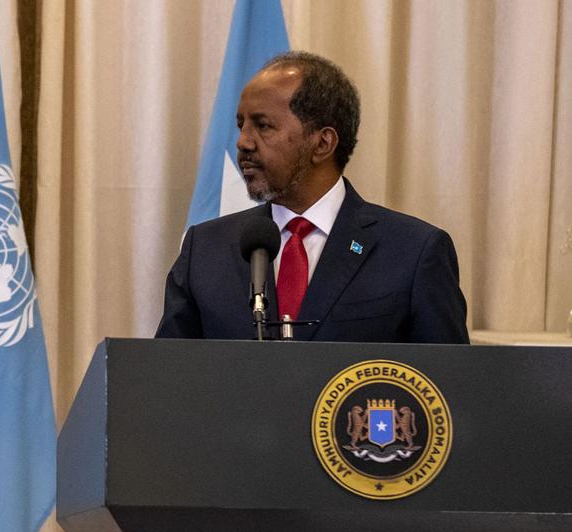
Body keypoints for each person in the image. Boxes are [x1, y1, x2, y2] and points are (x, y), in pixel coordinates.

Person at [155, 51, 468, 343]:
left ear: (322, 143)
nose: (243, 142)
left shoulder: (413, 251)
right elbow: (167, 378)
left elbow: (448, 385)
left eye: (263, 126)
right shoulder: (205, 250)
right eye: (241, 126)